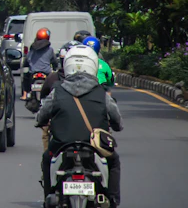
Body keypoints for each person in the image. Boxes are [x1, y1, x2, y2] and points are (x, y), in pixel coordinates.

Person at [36, 45, 123, 207]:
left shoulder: (57, 91)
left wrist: (40, 121)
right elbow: (117, 120)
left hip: (61, 145)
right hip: (94, 146)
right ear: (93, 66)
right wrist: (116, 126)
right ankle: (112, 199)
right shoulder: (102, 93)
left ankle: (48, 197)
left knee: (47, 158)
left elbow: (41, 115)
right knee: (114, 161)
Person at [22, 28, 57, 101]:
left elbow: (27, 60)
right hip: (46, 73)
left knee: (25, 77)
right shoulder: (50, 50)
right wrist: (55, 67)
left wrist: (25, 65)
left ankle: (25, 94)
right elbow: (54, 61)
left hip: (33, 73)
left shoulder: (32, 49)